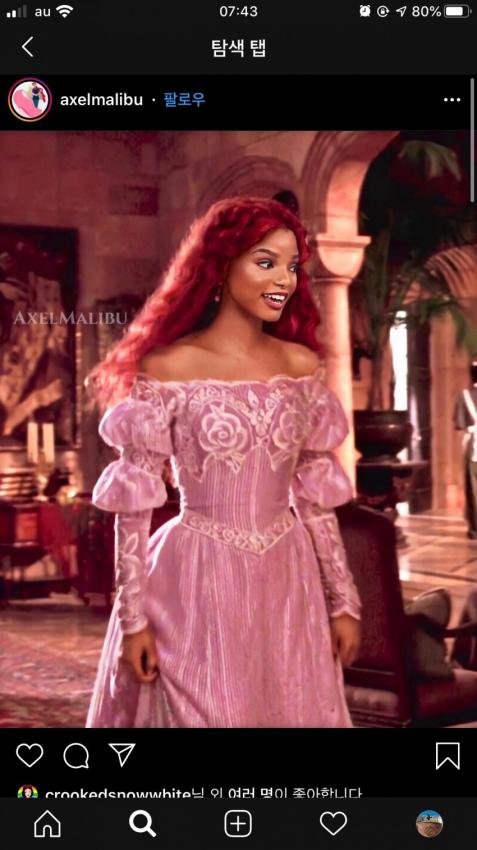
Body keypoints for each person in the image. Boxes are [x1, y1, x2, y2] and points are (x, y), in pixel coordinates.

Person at [85, 196, 361, 728]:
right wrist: (134, 619)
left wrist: (342, 601)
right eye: (266, 262)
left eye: (291, 266)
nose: (283, 279)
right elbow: (134, 508)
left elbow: (314, 500)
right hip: (194, 575)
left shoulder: (300, 366)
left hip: (286, 575)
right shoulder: (168, 367)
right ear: (220, 265)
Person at [453, 361, 477, 540]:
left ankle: (475, 528)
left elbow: (459, 424)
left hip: (473, 445)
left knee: (473, 486)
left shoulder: (464, 396)